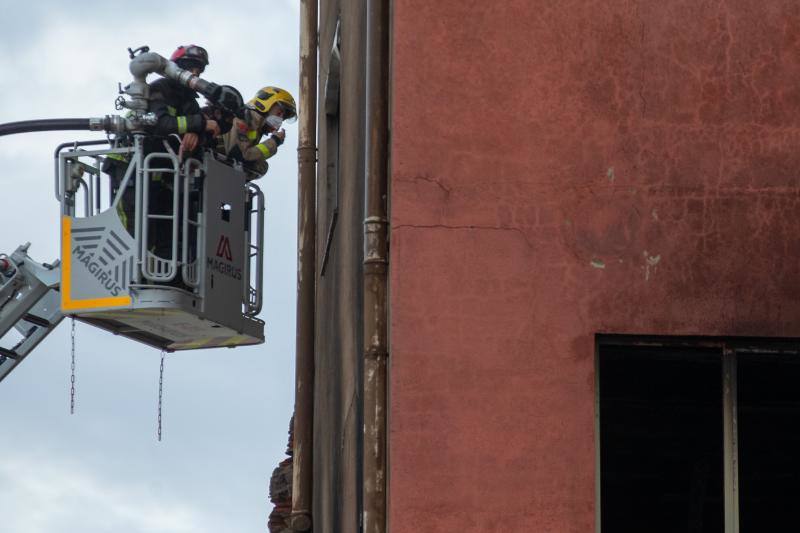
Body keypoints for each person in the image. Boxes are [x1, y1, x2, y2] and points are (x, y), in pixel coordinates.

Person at [217, 86, 297, 178]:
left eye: (283, 117)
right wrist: (274, 141)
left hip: (219, 173)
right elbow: (240, 157)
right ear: (266, 104)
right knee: (261, 166)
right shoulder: (247, 118)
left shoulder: (256, 126)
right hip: (214, 168)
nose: (280, 119)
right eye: (279, 113)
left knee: (262, 166)